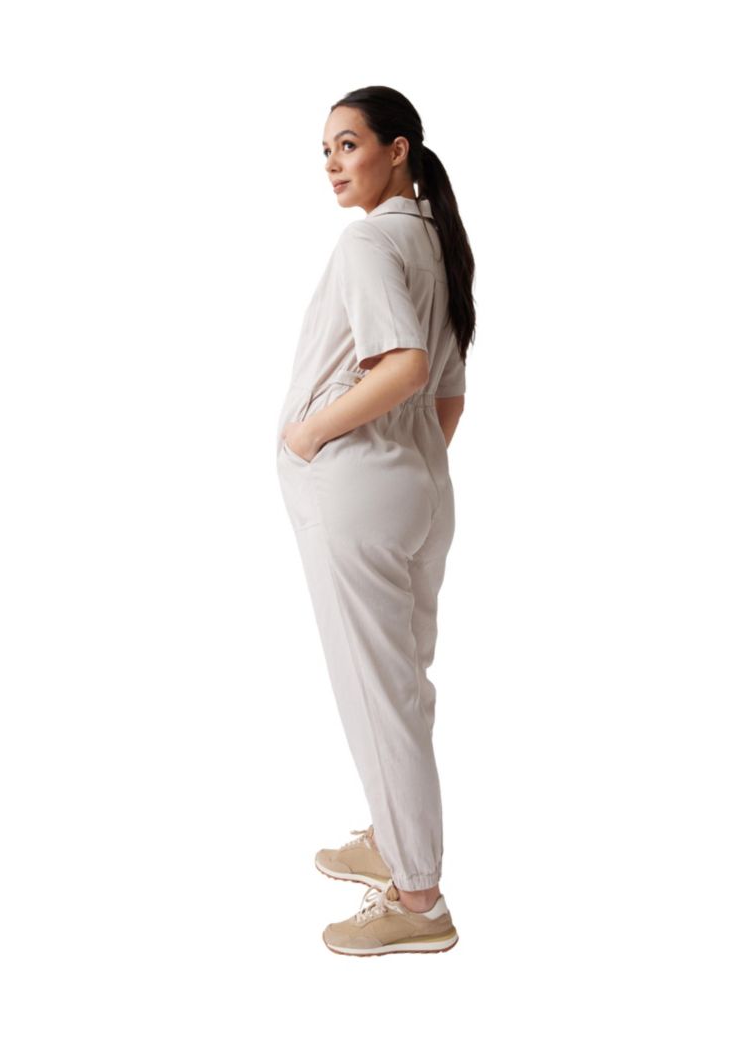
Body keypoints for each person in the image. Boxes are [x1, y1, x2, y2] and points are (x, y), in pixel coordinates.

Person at [275, 85, 476, 956]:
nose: (332, 164)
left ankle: (419, 899)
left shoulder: (368, 242)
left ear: (398, 149)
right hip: (420, 491)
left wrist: (310, 435)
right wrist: (408, 467)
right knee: (402, 686)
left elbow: (406, 367)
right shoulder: (436, 243)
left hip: (359, 492)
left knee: (376, 692)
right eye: (325, 150)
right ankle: (397, 843)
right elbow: (448, 398)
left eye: (348, 144)